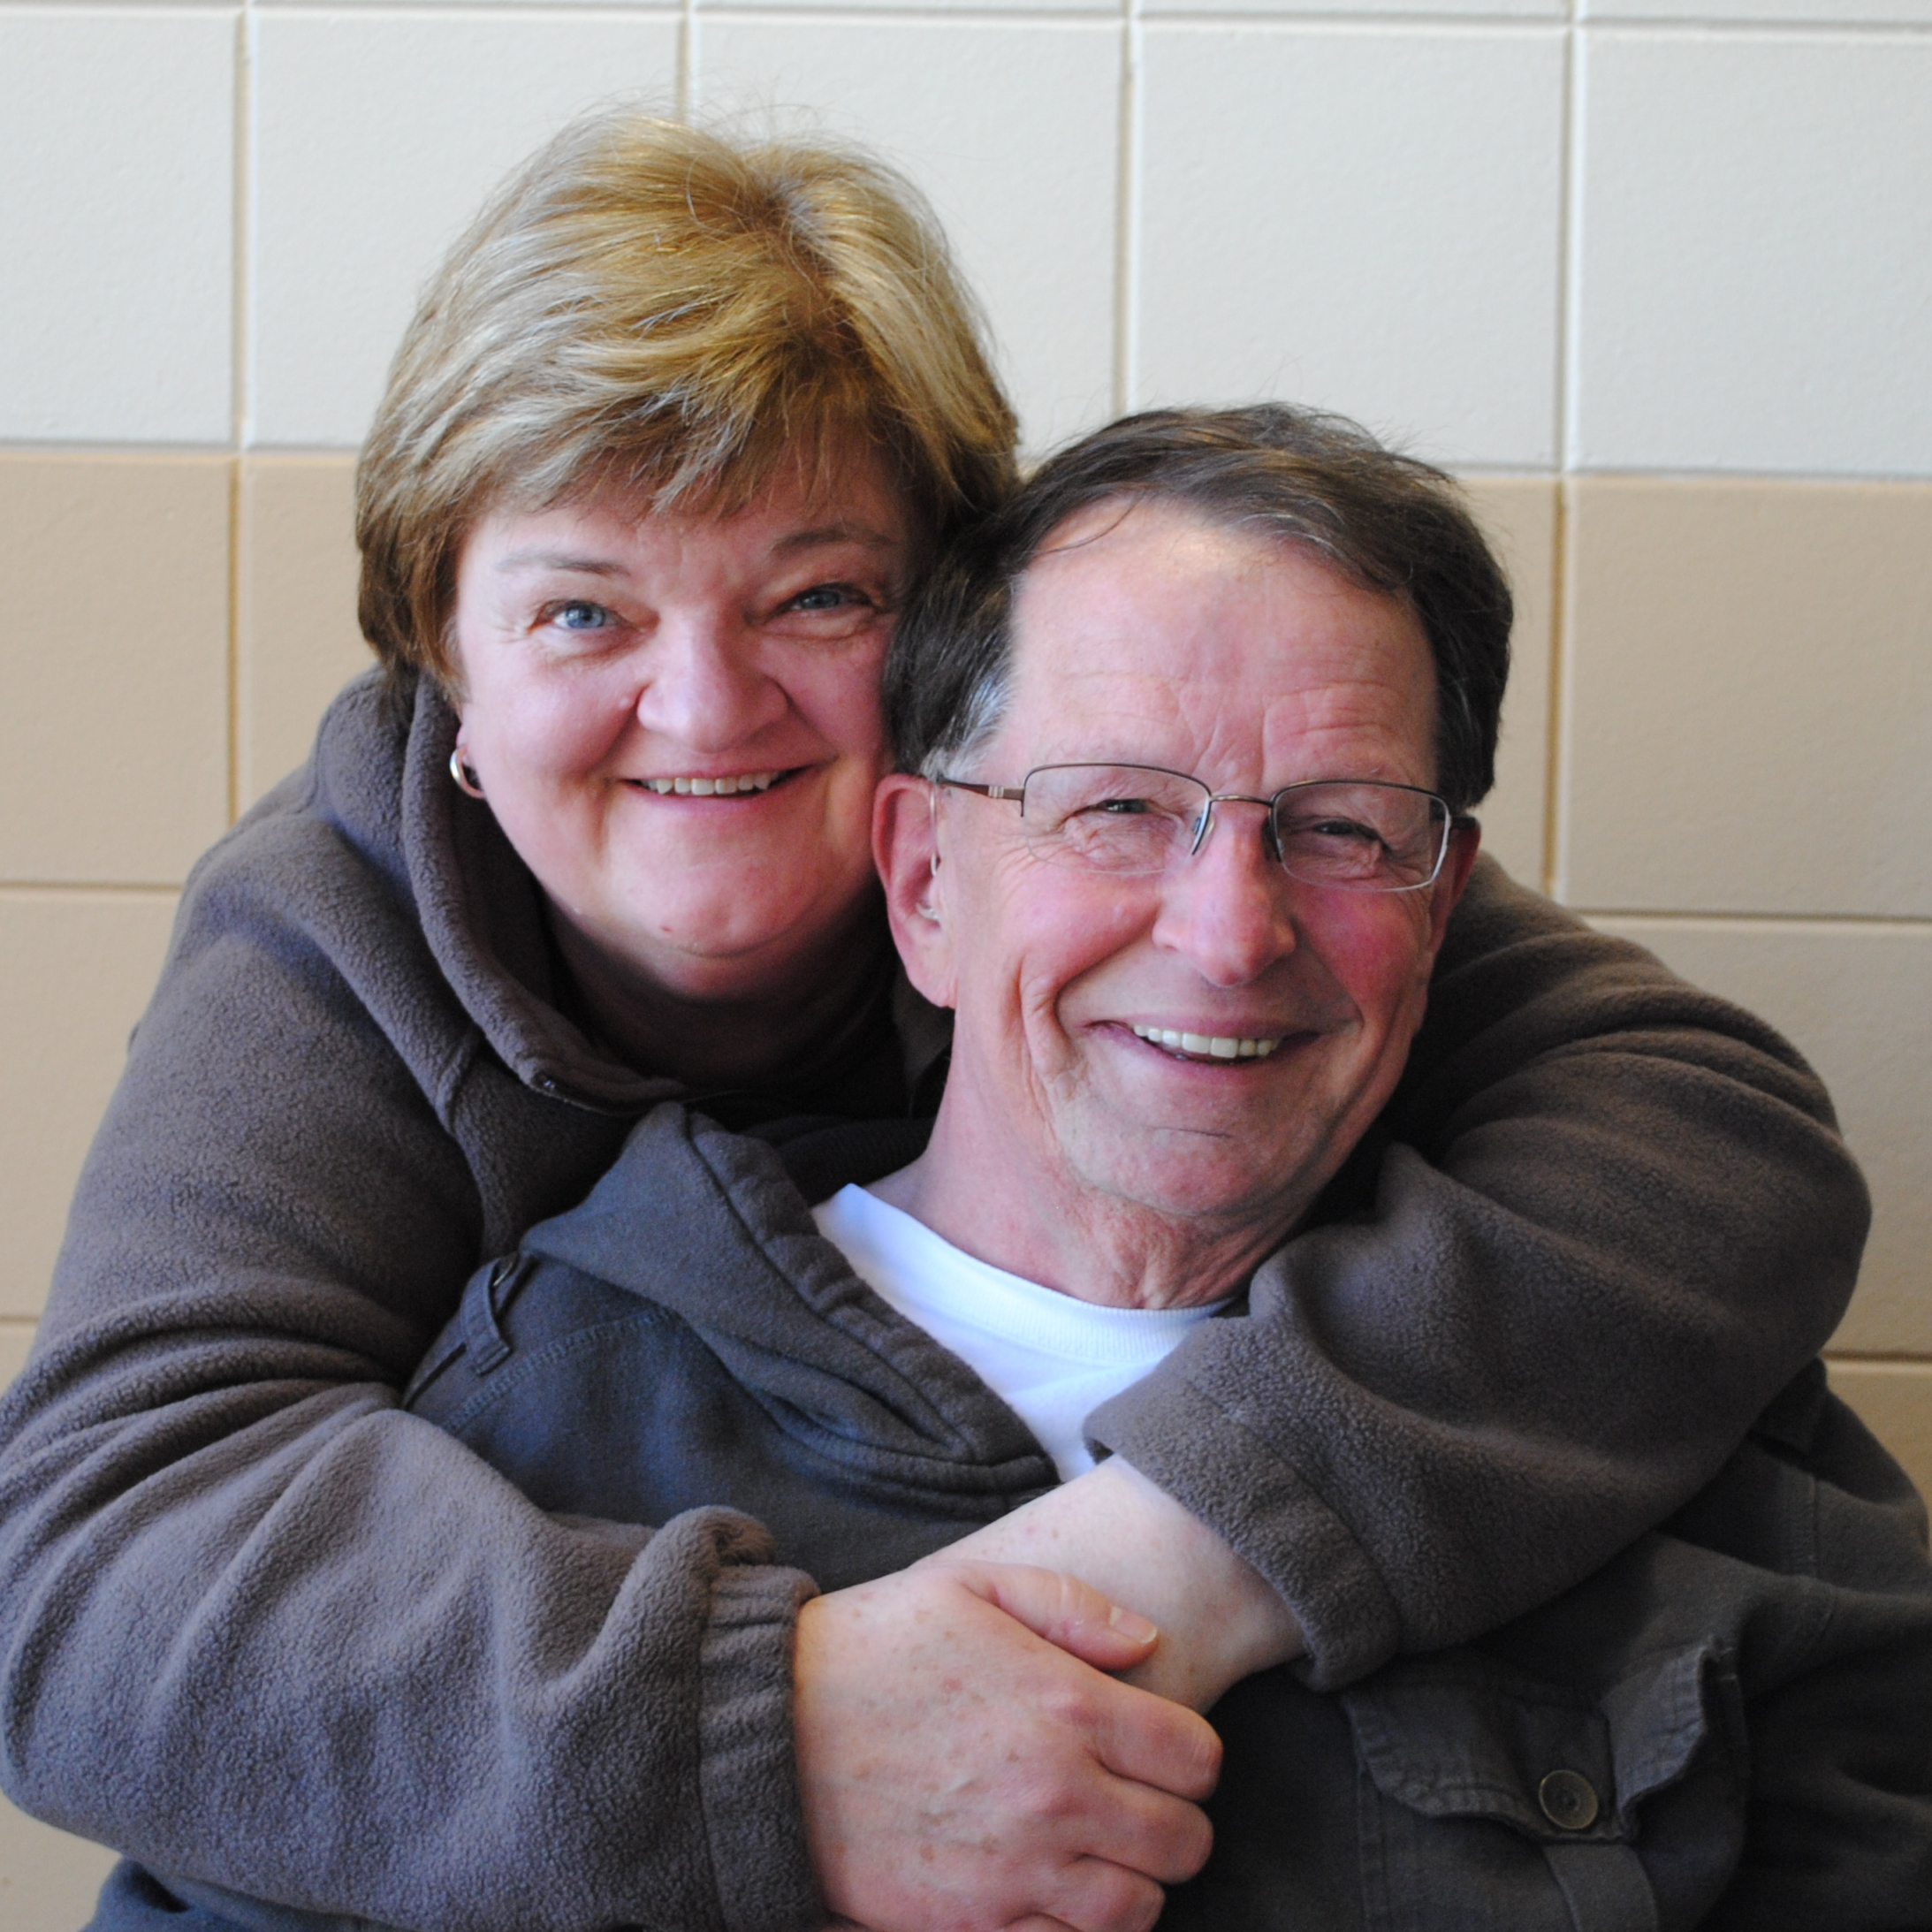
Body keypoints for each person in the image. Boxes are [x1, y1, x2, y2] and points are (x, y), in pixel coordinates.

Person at [0, 107, 1867, 1932]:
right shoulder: (346, 944)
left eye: (817, 593)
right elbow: (88, 1571)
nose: (706, 707)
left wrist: (1177, 1543)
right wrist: (782, 1734)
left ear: (955, 644)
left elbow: (1707, 1140)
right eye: (584, 615)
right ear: (444, 674)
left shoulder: (1210, 877)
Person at [407, 403, 1932, 1928]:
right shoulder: (553, 1429)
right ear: (925, 879)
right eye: (1118, 810)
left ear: (1441, 903)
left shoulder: (1656, 1410)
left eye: (1340, 829)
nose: (1228, 934)